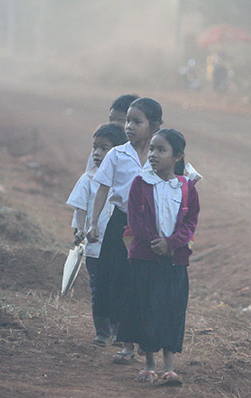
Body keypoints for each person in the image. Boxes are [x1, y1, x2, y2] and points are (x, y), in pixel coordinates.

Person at [119, 128, 199, 386]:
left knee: (172, 310)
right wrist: (155, 242)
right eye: (151, 149)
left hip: (175, 260)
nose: (153, 154)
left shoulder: (186, 188)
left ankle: (169, 365)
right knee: (147, 309)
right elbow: (134, 219)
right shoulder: (140, 184)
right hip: (146, 258)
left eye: (160, 150)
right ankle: (149, 363)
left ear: (177, 156)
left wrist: (172, 243)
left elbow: (190, 222)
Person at [87, 97, 163, 365]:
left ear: (153, 126)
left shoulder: (161, 154)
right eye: (127, 121)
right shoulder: (117, 155)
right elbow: (102, 189)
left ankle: (143, 340)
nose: (128, 126)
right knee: (121, 284)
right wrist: (94, 223)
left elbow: (179, 186)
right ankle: (127, 345)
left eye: (136, 121)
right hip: (121, 225)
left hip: (151, 228)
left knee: (145, 285)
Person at [66, 123, 127, 346]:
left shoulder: (124, 181)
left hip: (118, 246)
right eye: (96, 148)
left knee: (119, 286)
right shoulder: (88, 179)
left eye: (105, 149)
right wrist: (79, 229)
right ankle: (102, 331)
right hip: (94, 246)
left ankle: (119, 329)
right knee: (98, 286)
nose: (98, 154)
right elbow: (80, 208)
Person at [85, 94, 140, 173]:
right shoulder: (100, 152)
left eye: (120, 122)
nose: (113, 125)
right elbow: (90, 177)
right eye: (111, 120)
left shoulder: (149, 153)